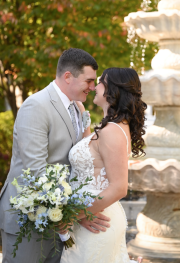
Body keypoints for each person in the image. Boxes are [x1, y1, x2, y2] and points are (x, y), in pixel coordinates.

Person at [0, 48, 111, 263]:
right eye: (88, 81)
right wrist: (77, 213)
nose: (93, 87)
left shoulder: (78, 108)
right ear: (68, 76)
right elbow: (36, 170)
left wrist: (72, 216)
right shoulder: (36, 106)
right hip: (28, 216)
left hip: (59, 219)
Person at [60, 67, 147, 263]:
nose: (94, 87)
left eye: (99, 82)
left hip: (96, 223)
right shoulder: (111, 127)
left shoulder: (112, 131)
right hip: (90, 218)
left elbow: (119, 187)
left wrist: (72, 215)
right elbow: (91, 156)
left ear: (112, 90)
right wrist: (82, 115)